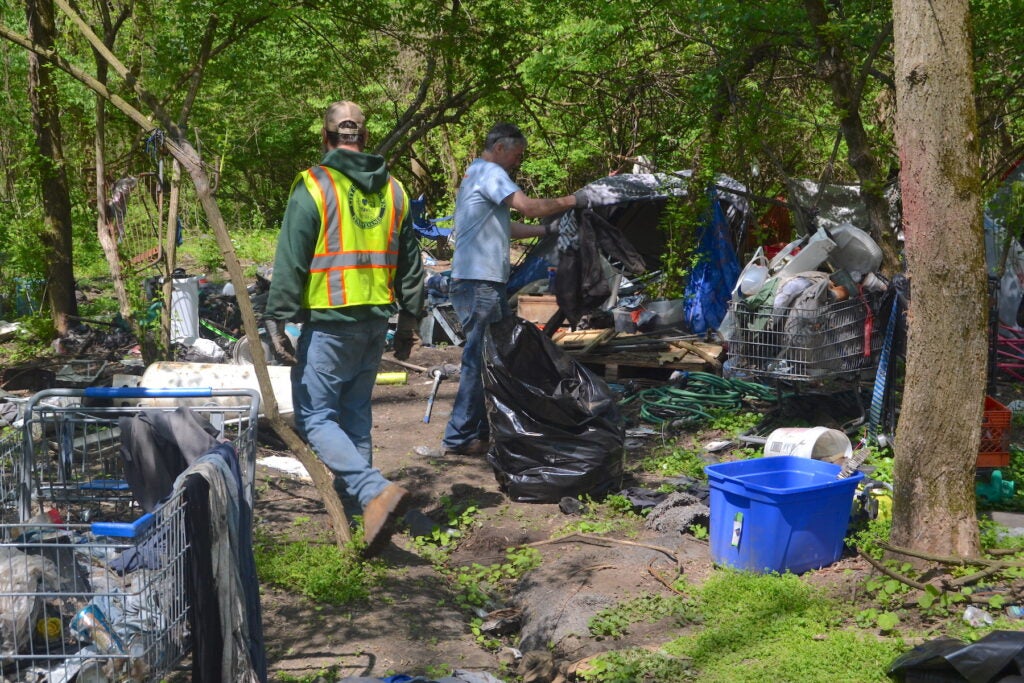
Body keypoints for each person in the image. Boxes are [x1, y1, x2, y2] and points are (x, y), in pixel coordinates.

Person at [263, 100, 424, 557]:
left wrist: (277, 320)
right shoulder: (394, 189)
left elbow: (291, 256)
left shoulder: (314, 185)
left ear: (326, 136)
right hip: (375, 323)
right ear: (364, 138)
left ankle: (374, 491)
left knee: (315, 417)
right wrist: (410, 320)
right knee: (354, 418)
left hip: (331, 323)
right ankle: (364, 522)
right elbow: (411, 264)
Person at [440, 122, 579, 455]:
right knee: (479, 360)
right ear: (499, 147)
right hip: (479, 283)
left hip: (480, 282)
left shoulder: (477, 174)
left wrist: (547, 230)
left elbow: (508, 227)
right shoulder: (490, 172)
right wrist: (575, 199)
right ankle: (458, 438)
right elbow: (527, 206)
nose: (518, 161)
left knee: (494, 358)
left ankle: (479, 433)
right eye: (517, 154)